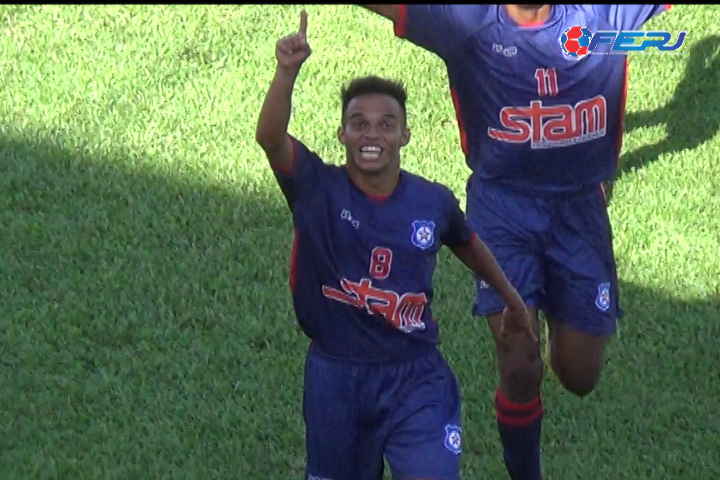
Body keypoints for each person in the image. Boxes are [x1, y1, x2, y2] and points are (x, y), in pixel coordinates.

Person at [358, 4, 674, 479]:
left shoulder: (605, 16)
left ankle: (555, 309)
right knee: (520, 357)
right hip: (502, 208)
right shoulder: (467, 22)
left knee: (579, 375)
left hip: (579, 213)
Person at [255, 10, 535, 480]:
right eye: (359, 123)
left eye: (386, 124)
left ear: (404, 135)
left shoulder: (431, 201)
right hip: (336, 377)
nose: (372, 134)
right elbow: (270, 138)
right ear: (342, 133)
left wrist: (511, 297)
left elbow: (467, 243)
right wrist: (287, 72)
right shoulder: (314, 187)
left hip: (417, 376)